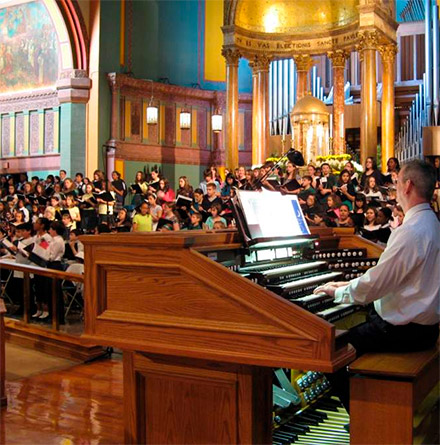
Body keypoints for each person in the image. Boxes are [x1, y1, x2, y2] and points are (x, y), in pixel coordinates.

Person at [314, 159, 440, 412]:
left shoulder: (412, 231)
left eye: (396, 183)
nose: (394, 190)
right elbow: (390, 277)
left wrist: (339, 291)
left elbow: (377, 284)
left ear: (408, 186)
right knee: (356, 327)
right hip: (426, 329)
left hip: (402, 332)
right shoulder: (432, 224)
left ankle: (366, 424)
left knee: (327, 352)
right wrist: (349, 282)